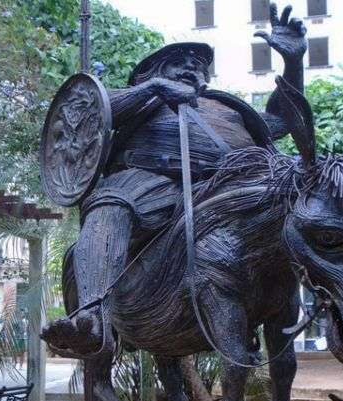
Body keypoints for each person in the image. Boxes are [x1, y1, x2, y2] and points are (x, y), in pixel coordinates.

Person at [46, 10, 308, 353]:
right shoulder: (142, 99)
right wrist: (152, 90)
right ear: (150, 73)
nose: (192, 69)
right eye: (180, 62)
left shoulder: (226, 106)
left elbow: (279, 120)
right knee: (111, 204)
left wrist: (293, 64)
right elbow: (84, 110)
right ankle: (92, 315)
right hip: (149, 186)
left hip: (228, 190)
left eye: (199, 65)